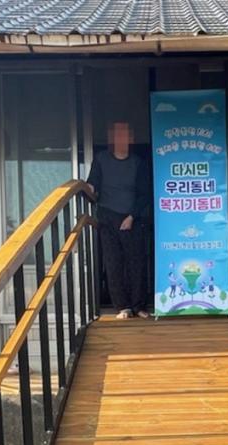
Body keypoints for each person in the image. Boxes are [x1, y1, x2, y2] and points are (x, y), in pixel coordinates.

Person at [87, 121, 149, 319]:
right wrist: (85, 189)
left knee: (136, 263)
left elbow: (144, 194)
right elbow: (92, 185)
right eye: (117, 134)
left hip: (133, 218)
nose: (120, 138)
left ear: (131, 139)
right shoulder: (101, 159)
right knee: (113, 263)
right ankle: (122, 307)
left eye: (124, 134)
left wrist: (131, 216)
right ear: (111, 138)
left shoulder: (138, 163)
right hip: (107, 218)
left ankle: (138, 306)